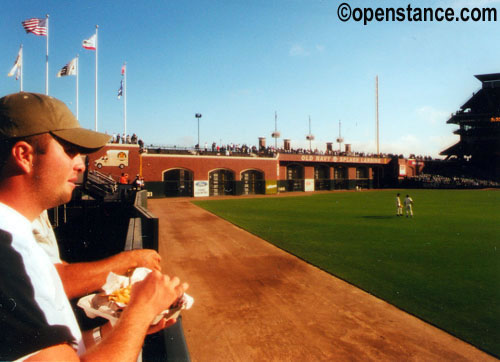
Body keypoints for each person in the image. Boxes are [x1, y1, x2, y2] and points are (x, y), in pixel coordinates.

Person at [0, 92, 188, 361]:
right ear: (24, 156)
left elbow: (66, 354)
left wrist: (121, 328)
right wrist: (140, 310)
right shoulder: (5, 256)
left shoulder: (19, 239)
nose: (80, 164)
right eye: (69, 151)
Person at [32, 210, 161, 299]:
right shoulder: (18, 221)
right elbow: (52, 282)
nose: (81, 168)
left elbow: (54, 265)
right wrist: (132, 260)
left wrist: (102, 281)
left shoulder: (38, 212)